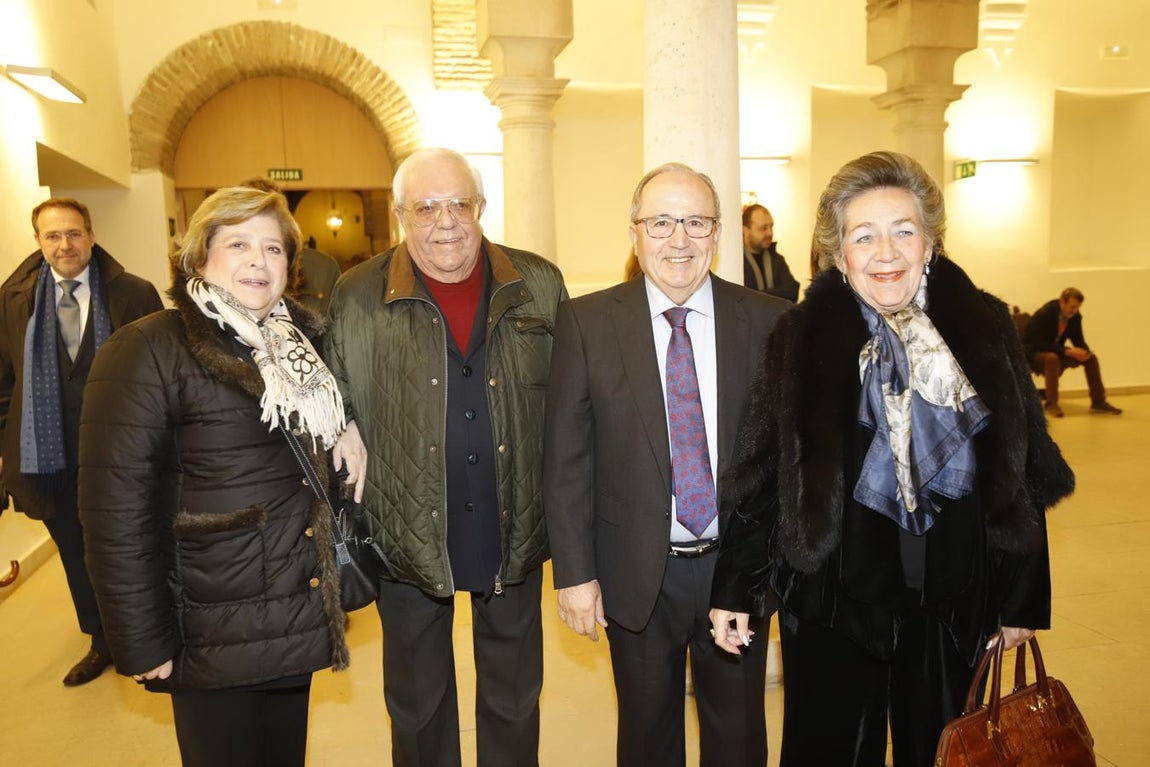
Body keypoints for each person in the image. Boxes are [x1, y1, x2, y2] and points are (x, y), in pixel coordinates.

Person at [709, 151, 1076, 766]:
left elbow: (1020, 470)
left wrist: (1021, 601)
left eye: (904, 231)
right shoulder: (802, 336)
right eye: (865, 235)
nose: (887, 252)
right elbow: (764, 471)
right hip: (832, 597)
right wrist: (736, 588)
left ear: (930, 243)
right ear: (839, 253)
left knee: (939, 749)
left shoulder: (981, 325)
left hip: (951, 596)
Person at [78, 187, 366, 766]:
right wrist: (140, 640)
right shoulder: (148, 347)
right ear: (198, 257)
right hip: (210, 621)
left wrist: (347, 422)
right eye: (238, 244)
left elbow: (315, 419)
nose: (259, 261)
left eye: (274, 248)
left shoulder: (300, 347)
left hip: (291, 609)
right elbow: (115, 513)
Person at [326, 147, 566, 767]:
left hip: (510, 518)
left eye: (459, 203)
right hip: (405, 526)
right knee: (417, 700)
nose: (446, 221)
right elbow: (333, 397)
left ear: (481, 207)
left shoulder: (538, 283)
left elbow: (573, 403)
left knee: (515, 696)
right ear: (401, 214)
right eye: (425, 207)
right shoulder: (356, 295)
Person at [544, 163, 786, 765]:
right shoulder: (588, 321)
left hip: (735, 570)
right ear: (635, 232)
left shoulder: (768, 321)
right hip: (635, 574)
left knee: (737, 738)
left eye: (695, 222)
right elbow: (566, 459)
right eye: (661, 222)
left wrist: (765, 569)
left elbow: (781, 461)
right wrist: (574, 574)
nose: (679, 239)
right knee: (647, 737)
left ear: (717, 233)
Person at [0, 197, 163, 686]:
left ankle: (145, 631)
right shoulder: (14, 300)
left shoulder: (132, 293)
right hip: (47, 454)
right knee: (75, 550)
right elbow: (4, 380)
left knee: (131, 543)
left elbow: (161, 373)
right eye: (52, 236)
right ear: (39, 242)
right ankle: (100, 640)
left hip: (120, 452)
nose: (64, 245)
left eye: (73, 233)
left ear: (90, 235)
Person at [1024, 287, 1122, 417]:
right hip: (1034, 352)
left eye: (1077, 307)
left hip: (1057, 351)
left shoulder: (1075, 316)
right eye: (1072, 306)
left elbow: (1078, 340)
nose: (1074, 310)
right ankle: (1051, 403)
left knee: (1091, 358)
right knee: (1052, 358)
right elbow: (1039, 343)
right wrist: (1067, 351)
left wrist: (1085, 351)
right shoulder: (1044, 314)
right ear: (1062, 302)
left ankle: (1098, 401)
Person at [742, 203, 799, 302]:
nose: (770, 233)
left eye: (771, 227)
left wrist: (757, 295)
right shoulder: (738, 263)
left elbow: (792, 291)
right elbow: (743, 298)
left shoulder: (777, 259)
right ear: (746, 230)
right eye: (763, 228)